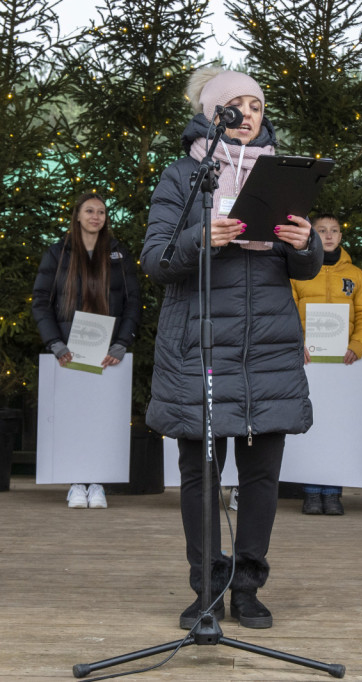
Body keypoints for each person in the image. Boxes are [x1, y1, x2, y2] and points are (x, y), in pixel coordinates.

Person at [141, 67, 322, 630]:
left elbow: (308, 264)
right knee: (200, 473)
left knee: (262, 475)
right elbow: (155, 260)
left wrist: (305, 243)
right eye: (237, 105)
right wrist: (204, 238)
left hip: (267, 347)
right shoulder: (182, 176)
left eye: (258, 106)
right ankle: (207, 588)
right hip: (200, 348)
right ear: (213, 112)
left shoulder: (284, 175)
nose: (250, 115)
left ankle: (247, 586)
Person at [31, 192, 141, 509]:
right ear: (77, 216)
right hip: (68, 351)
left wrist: (122, 343)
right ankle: (76, 482)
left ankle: (98, 484)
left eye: (102, 212)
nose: (96, 216)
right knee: (73, 416)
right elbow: (41, 302)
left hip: (109, 351)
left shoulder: (119, 254)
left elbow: (134, 302)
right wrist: (55, 343)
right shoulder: (57, 253)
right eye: (89, 211)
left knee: (102, 418)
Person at [291, 213, 362, 516]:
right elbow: (285, 309)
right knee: (311, 423)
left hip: (343, 366)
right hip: (307, 362)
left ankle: (333, 493)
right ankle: (312, 493)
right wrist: (295, 343)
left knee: (339, 425)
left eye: (335, 230)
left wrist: (359, 345)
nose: (329, 235)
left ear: (341, 236)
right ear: (311, 234)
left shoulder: (356, 275)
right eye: (322, 230)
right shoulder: (296, 271)